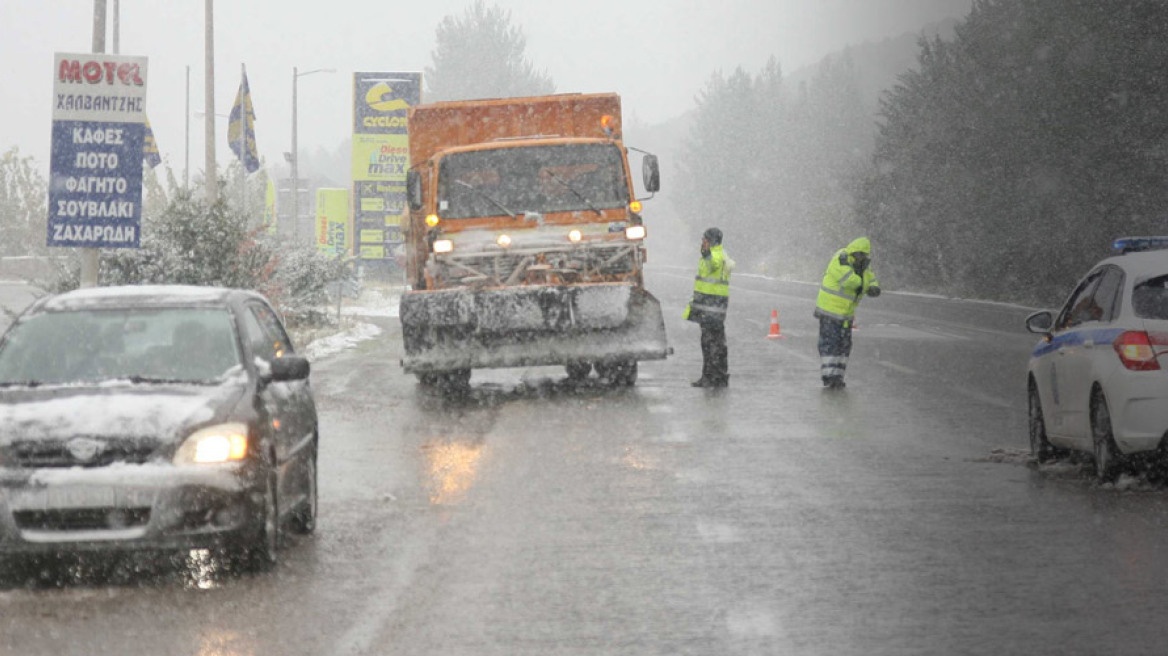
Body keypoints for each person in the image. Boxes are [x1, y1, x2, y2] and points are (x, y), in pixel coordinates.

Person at [814, 237, 881, 389]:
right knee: (830, 345)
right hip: (830, 311)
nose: (861, 258)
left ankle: (838, 377)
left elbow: (870, 277)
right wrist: (866, 287)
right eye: (859, 254)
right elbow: (849, 281)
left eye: (864, 255)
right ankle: (829, 377)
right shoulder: (841, 259)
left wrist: (875, 286)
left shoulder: (862, 265)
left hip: (845, 314)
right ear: (853, 252)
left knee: (843, 346)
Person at [684, 227, 734, 387]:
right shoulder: (720, 254)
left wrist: (706, 254)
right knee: (718, 343)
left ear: (711, 241)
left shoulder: (716, 256)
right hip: (714, 308)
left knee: (709, 343)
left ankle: (710, 377)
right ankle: (719, 376)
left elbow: (713, 264)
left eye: (704, 239)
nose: (702, 242)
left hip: (711, 308)